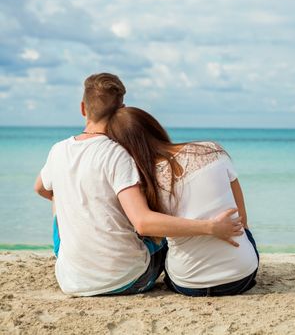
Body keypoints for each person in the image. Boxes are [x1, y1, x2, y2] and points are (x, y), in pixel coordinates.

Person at [34, 73, 243, 297]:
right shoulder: (118, 154)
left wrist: (77, 206)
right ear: (121, 109)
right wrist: (210, 228)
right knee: (158, 235)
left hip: (71, 280)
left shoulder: (58, 150)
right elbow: (143, 223)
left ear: (83, 108)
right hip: (128, 280)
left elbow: (41, 188)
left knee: (58, 197)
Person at [107, 107, 259, 297]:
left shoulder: (145, 183)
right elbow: (242, 220)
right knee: (246, 235)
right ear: (154, 126)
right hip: (240, 278)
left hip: (189, 284)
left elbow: (151, 233)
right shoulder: (212, 150)